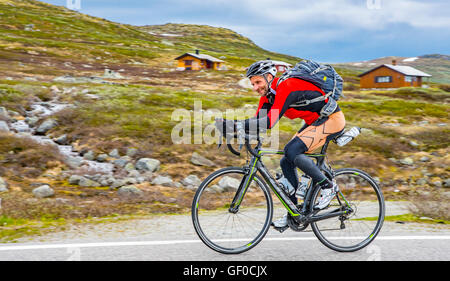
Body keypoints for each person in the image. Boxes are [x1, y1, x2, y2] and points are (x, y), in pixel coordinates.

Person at [217, 60, 346, 229]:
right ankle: (293, 213)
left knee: (292, 150)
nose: (255, 87)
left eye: (258, 82)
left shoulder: (287, 86)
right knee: (286, 160)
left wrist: (236, 124)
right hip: (314, 122)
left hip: (332, 120)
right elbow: (258, 122)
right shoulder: (267, 97)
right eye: (252, 84)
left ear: (269, 77)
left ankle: (328, 187)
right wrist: (237, 133)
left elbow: (269, 122)